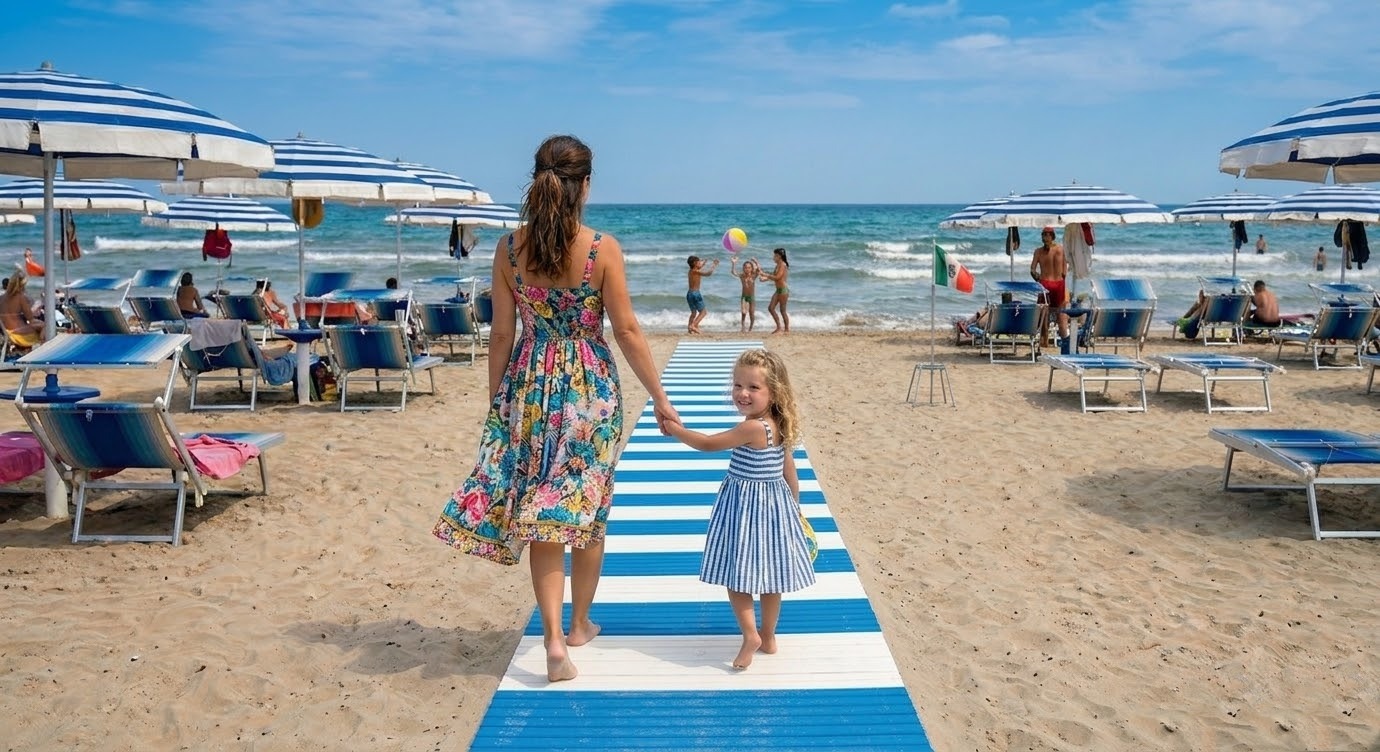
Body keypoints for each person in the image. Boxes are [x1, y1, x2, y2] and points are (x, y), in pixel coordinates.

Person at [431, 134, 679, 683]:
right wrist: (660, 399)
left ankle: (552, 639)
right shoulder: (601, 249)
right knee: (584, 505)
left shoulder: (508, 249)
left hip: (529, 384)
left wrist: (499, 402)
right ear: (585, 185)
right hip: (590, 389)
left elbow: (501, 333)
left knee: (541, 508)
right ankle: (580, 623)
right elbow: (627, 330)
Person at [662, 349, 815, 669]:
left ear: (774, 392)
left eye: (753, 387)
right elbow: (789, 470)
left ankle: (750, 635)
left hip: (746, 512)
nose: (743, 393)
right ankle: (768, 636)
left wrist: (675, 429)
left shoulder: (753, 428)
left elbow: (707, 444)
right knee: (772, 578)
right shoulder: (778, 424)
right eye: (738, 385)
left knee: (737, 576)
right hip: (775, 510)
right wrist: (795, 508)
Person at [1030, 226, 1069, 340]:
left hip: (1046, 284)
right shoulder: (1061, 249)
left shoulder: (1039, 251)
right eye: (1044, 235)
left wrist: (1038, 279)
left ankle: (1046, 341)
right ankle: (1063, 339)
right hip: (1057, 283)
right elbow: (1065, 272)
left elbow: (1032, 270)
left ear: (1051, 237)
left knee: (1046, 314)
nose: (1045, 238)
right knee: (1058, 314)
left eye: (1046, 235)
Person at [0, 272, 43, 346]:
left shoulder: (1, 298)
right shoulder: (20, 297)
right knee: (45, 326)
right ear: (22, 286)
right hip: (20, 334)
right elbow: (31, 319)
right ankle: (42, 347)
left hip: (6, 332)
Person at [685, 255, 718, 334]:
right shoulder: (696, 271)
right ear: (695, 263)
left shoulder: (691, 271)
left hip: (689, 294)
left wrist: (704, 263)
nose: (700, 262)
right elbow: (708, 274)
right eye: (699, 262)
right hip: (696, 294)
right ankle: (693, 325)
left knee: (693, 313)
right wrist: (714, 265)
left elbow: (699, 267)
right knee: (703, 312)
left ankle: (690, 328)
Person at [728, 257, 761, 332]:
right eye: (745, 267)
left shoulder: (753, 276)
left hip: (751, 297)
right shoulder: (742, 276)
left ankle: (751, 328)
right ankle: (743, 327)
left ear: (751, 268)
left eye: (749, 268)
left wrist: (756, 261)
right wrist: (733, 263)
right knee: (743, 313)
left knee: (751, 313)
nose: (747, 269)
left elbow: (759, 270)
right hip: (744, 297)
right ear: (743, 268)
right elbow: (733, 272)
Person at [762, 247, 791, 334]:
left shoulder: (783, 265)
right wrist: (765, 278)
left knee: (783, 311)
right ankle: (779, 327)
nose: (773, 258)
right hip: (778, 290)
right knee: (771, 308)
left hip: (783, 290)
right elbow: (774, 276)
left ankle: (786, 329)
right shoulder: (777, 265)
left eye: (775, 256)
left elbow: (778, 277)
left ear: (779, 256)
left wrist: (766, 275)